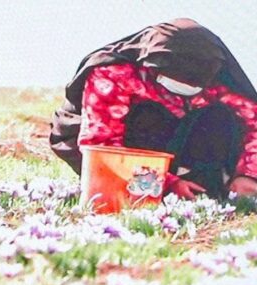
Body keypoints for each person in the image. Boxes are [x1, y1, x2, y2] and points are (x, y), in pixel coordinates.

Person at [50, 18, 257, 200]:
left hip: (176, 143)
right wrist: (167, 182)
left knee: (220, 117)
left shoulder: (212, 78)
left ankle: (208, 187)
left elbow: (253, 121)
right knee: (150, 114)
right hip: (115, 152)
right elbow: (102, 146)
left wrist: (248, 174)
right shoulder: (115, 74)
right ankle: (153, 189)